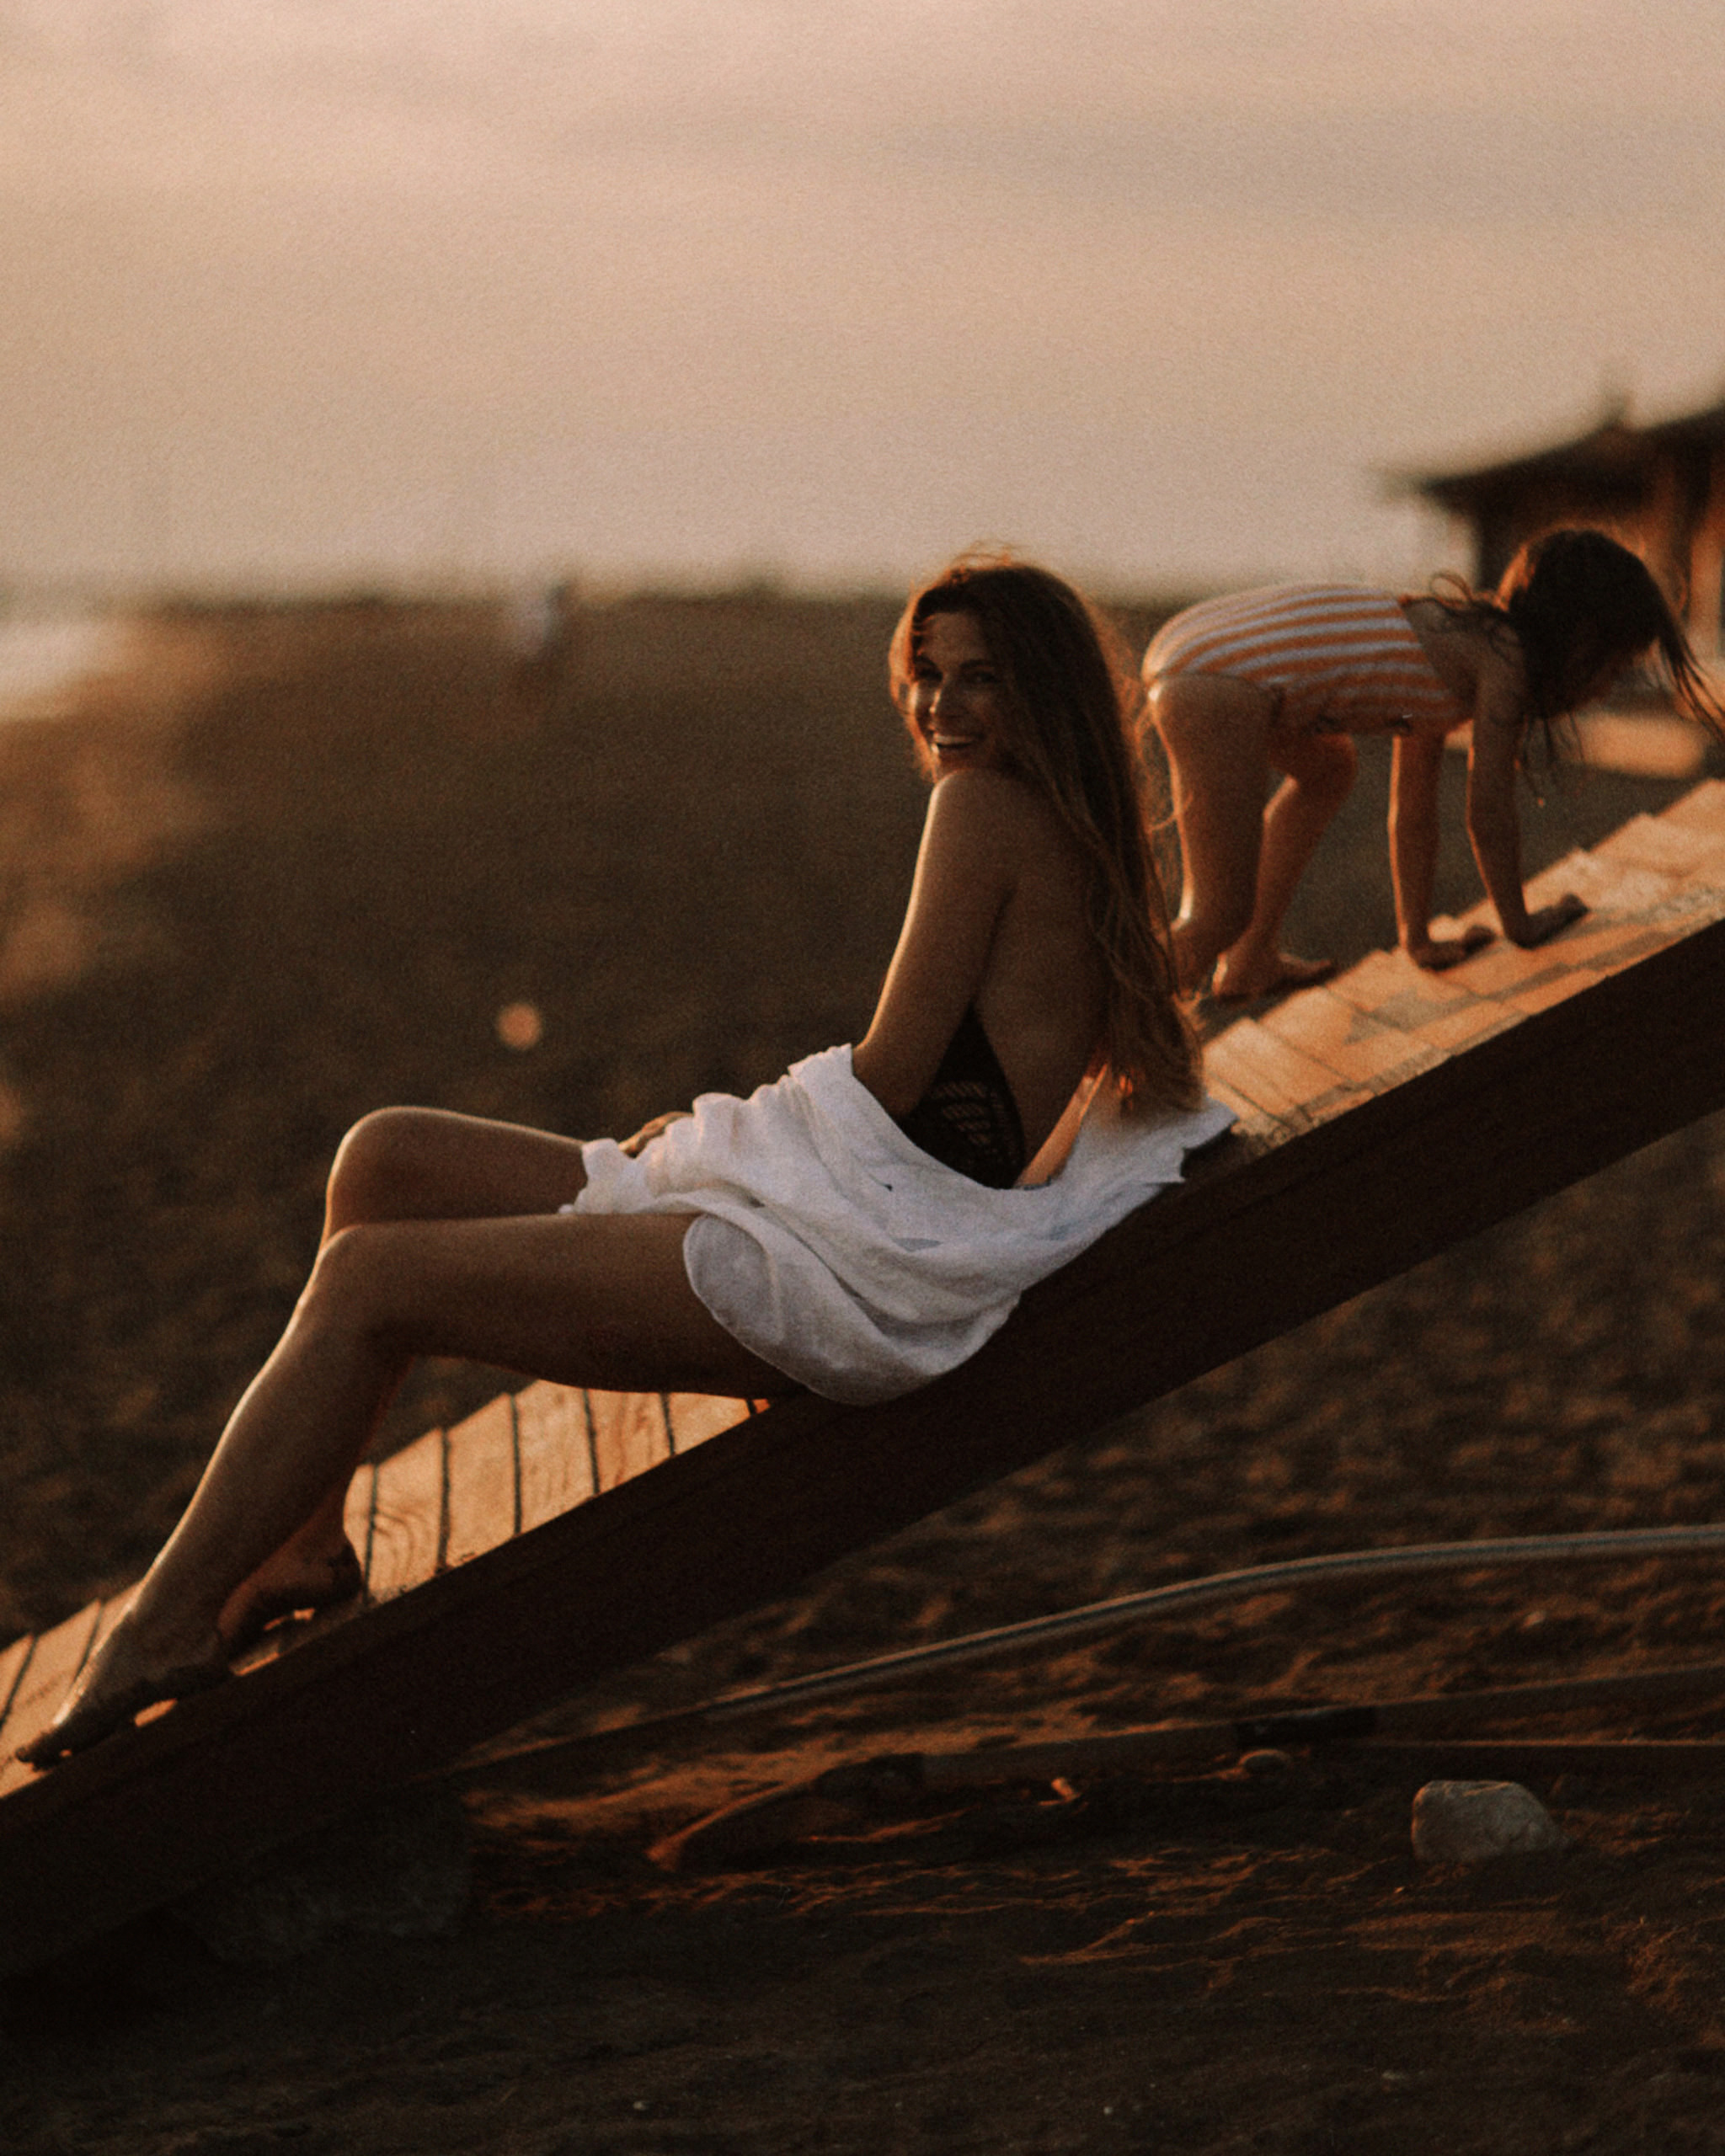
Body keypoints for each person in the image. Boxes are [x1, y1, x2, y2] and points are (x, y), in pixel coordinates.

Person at [21, 555, 1231, 1763]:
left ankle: (164, 1626)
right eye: (927, 673)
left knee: (368, 1280)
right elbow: (992, 1058)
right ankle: (302, 1544)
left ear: (1044, 691)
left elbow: (894, 1077)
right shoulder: (1067, 824)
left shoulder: (980, 810)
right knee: (383, 1158)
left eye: (981, 679)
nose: (940, 707)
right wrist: (710, 1143)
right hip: (854, 1209)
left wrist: (710, 1148)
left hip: (847, 1261)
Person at [1143, 527, 1725, 1001]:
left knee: (1330, 771)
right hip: (1219, 680)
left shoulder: (1448, 645)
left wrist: (1415, 936)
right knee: (1218, 912)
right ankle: (1109, 1021)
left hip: (1207, 655)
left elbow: (1412, 812)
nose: (1604, 692)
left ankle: (1249, 959)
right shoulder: (1504, 663)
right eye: (1613, 670)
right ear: (1581, 641)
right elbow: (1488, 812)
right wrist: (1520, 924)